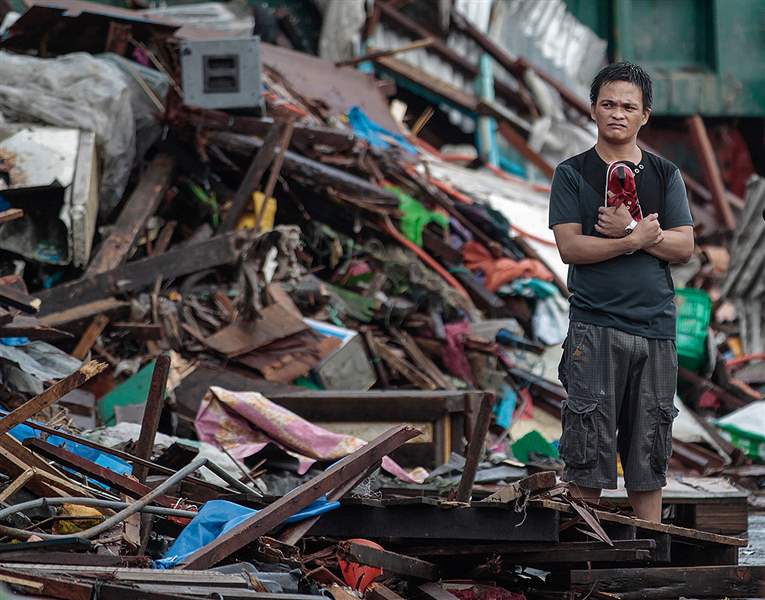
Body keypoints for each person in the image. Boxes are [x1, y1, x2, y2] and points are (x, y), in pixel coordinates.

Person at [548, 62, 694, 522]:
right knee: (586, 456)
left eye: (628, 106)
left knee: (649, 456)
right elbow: (571, 247)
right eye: (608, 104)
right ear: (593, 109)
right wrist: (635, 241)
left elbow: (684, 246)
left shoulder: (665, 174)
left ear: (644, 115)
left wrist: (630, 227)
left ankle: (650, 570)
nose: (617, 114)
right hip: (594, 328)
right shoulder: (572, 174)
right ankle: (581, 569)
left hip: (656, 330)